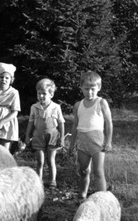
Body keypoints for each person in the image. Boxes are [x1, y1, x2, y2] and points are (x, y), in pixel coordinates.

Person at [68, 70, 113, 200]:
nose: (90, 92)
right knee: (83, 170)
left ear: (98, 88)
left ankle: (103, 199)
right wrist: (71, 144)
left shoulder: (101, 103)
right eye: (86, 89)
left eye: (93, 89)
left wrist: (108, 141)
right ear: (81, 88)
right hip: (82, 142)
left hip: (97, 142)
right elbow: (75, 125)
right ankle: (82, 195)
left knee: (98, 171)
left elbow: (109, 123)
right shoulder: (78, 105)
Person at [25, 78, 66, 188]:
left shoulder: (56, 107)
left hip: (52, 136)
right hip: (38, 136)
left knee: (51, 159)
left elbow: (61, 123)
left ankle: (52, 180)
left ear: (51, 94)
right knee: (40, 161)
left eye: (44, 94)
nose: (41, 96)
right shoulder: (34, 107)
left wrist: (61, 138)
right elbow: (30, 122)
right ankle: (39, 182)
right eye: (39, 93)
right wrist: (27, 136)